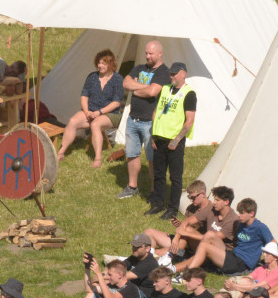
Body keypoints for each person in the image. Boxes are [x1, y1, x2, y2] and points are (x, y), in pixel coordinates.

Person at [117, 40, 168, 200]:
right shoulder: (139, 68)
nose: (147, 56)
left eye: (151, 53)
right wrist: (143, 87)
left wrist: (136, 86)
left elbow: (153, 92)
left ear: (160, 53)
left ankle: (154, 191)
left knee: (153, 158)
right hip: (133, 119)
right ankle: (132, 187)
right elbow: (125, 82)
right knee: (132, 153)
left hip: (150, 122)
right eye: (146, 53)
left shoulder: (164, 72)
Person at [146, 62, 196, 220]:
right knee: (159, 173)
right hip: (159, 138)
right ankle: (158, 203)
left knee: (175, 177)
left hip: (175, 141)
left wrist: (177, 140)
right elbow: (156, 111)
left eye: (175, 74)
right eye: (171, 74)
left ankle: (172, 208)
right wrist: (153, 134)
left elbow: (189, 120)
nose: (172, 76)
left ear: (184, 74)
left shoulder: (189, 93)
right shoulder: (166, 89)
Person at [57, 49, 124, 166]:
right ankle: (61, 152)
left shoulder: (117, 79)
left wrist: (99, 112)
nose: (100, 65)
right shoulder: (92, 77)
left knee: (95, 124)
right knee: (73, 121)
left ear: (110, 64)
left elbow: (116, 103)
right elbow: (84, 95)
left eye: (103, 63)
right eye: (99, 63)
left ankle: (97, 159)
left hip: (110, 114)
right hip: (91, 110)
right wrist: (86, 111)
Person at [175, 197, 272, 276]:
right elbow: (188, 222)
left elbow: (275, 246)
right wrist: (179, 234)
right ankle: (174, 261)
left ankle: (185, 273)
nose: (239, 215)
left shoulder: (260, 227)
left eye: (242, 213)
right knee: (205, 236)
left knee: (203, 246)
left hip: (241, 262)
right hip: (232, 255)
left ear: (252, 213)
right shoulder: (240, 224)